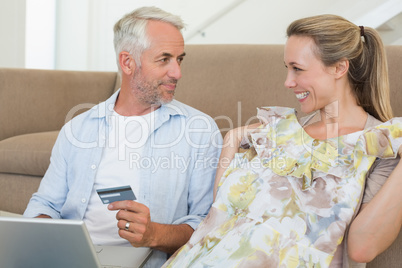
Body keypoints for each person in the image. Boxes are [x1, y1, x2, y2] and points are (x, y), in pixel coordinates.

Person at [162, 14, 402, 268]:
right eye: (287, 68)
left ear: (339, 68)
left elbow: (362, 248)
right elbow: (222, 217)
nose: (288, 82)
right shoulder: (277, 130)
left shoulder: (380, 145)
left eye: (297, 68)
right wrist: (231, 140)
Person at [24, 6, 222, 267]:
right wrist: (41, 234)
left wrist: (154, 234)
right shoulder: (78, 129)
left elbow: (209, 223)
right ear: (128, 62)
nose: (177, 72)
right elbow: (46, 203)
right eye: (164, 59)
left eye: (179, 59)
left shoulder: (199, 130)